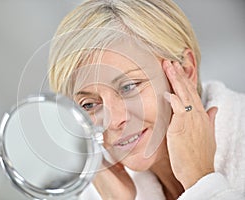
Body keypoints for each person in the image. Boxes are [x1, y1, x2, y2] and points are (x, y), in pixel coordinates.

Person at [48, 0, 245, 199]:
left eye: (128, 87)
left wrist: (201, 182)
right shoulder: (93, 193)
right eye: (89, 104)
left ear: (185, 71)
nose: (113, 120)